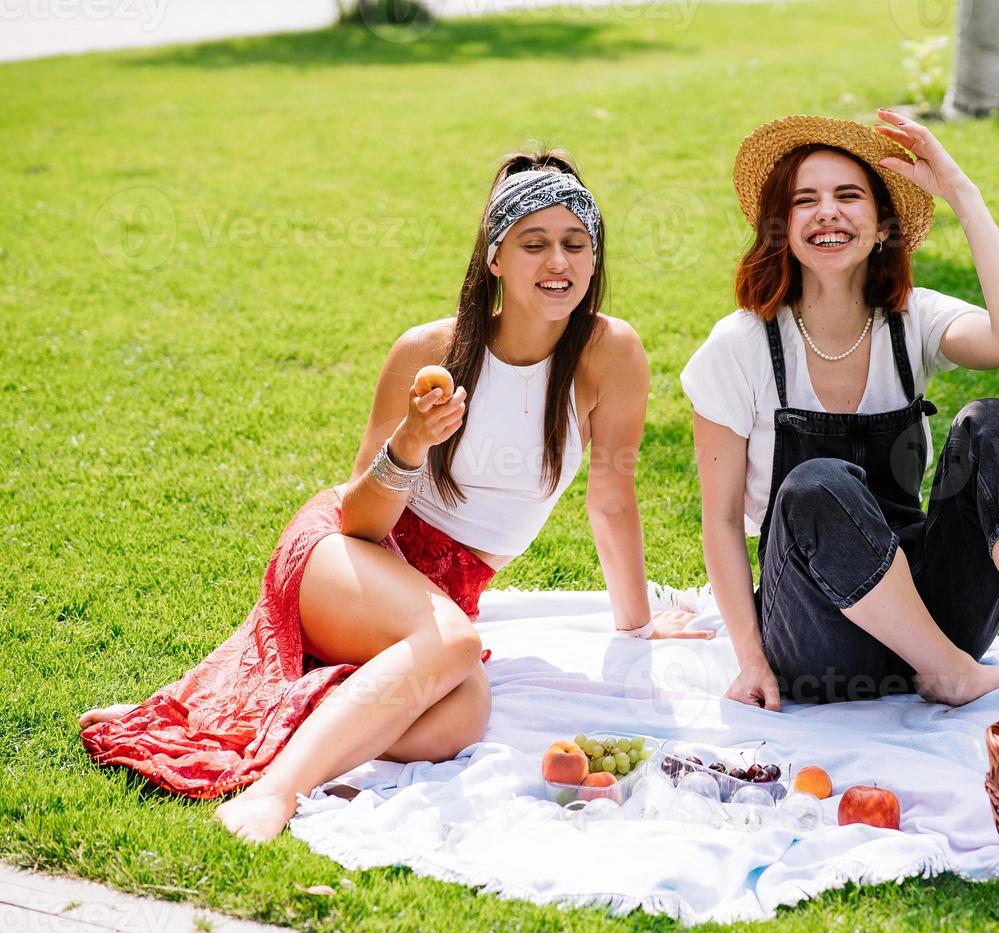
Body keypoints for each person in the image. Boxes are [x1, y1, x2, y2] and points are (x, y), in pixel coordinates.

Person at [80, 150, 711, 842]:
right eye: (533, 243)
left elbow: (612, 496)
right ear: (496, 257)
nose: (556, 262)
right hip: (349, 557)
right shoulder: (429, 350)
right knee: (453, 643)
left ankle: (260, 719)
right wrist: (411, 441)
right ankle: (276, 793)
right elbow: (359, 519)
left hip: (442, 592)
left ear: (594, 259)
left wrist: (636, 623)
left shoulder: (610, 352)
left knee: (459, 718)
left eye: (574, 244)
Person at [681, 110, 999, 711]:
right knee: (817, 484)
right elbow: (720, 523)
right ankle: (948, 674)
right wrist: (752, 660)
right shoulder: (738, 347)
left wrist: (961, 195)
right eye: (804, 200)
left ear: (881, 224)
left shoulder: (911, 320)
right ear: (779, 227)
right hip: (818, 641)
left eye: (849, 196)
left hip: (932, 616)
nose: (828, 213)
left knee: (994, 423)